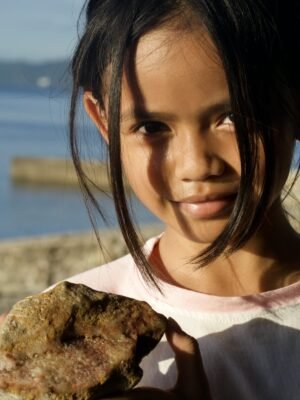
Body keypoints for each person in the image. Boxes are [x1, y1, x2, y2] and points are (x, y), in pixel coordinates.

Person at [4, 0, 299, 399]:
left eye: (236, 117)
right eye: (152, 126)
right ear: (104, 122)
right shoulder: (68, 344)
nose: (196, 165)